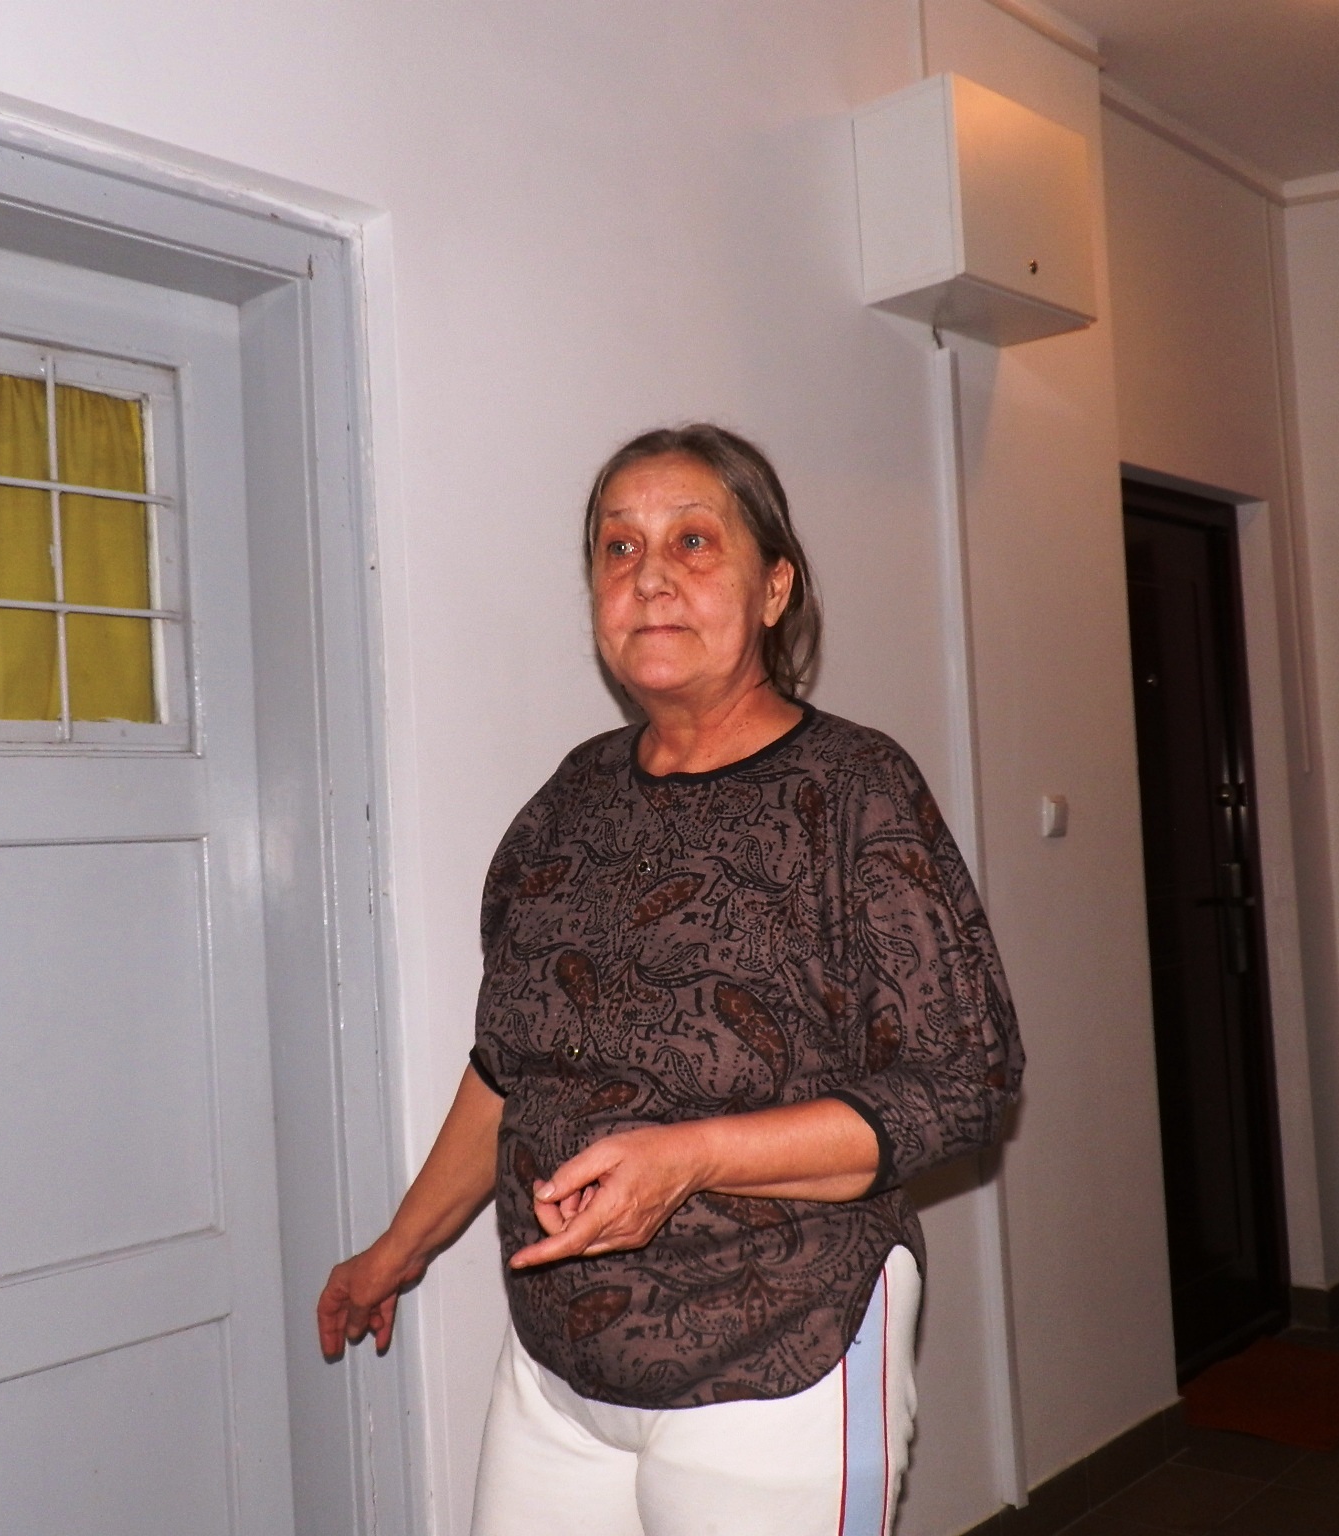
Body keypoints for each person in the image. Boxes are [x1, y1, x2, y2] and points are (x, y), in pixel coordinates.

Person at [317, 424, 1022, 1536]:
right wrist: (394, 1253)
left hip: (780, 1352)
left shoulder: (854, 790)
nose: (649, 576)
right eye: (619, 547)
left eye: (693, 541)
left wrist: (688, 1159)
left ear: (774, 587)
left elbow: (963, 1082)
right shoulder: (568, 799)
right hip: (559, 1366)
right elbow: (508, 1068)